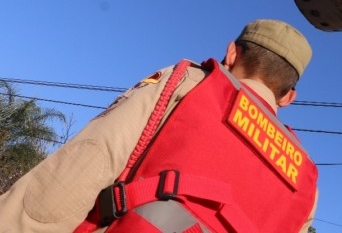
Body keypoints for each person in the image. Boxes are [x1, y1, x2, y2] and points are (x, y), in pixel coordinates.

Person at [0, 19, 318, 233]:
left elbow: (93, 158)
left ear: (231, 54)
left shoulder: (190, 82)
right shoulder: (305, 182)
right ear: (288, 97)